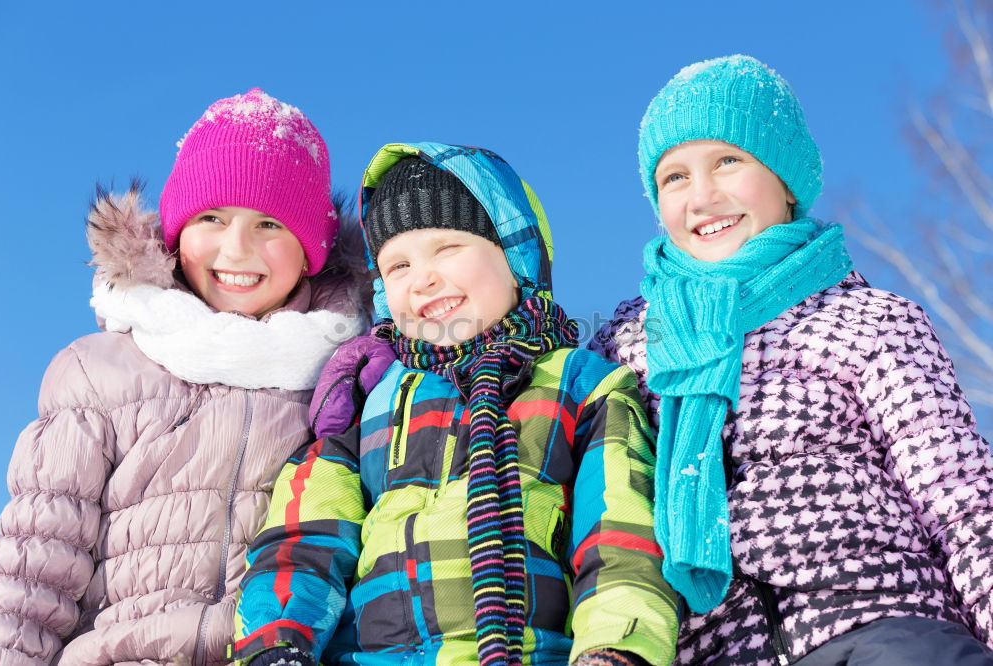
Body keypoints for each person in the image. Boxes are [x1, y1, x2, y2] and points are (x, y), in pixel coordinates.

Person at [590, 55, 993, 665]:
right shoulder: (621, 347)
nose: (702, 196)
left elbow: (959, 497)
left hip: (877, 621)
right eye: (674, 177)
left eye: (728, 160)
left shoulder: (868, 319)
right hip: (716, 649)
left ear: (785, 179)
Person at [231, 143, 678, 666]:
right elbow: (305, 537)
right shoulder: (367, 400)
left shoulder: (581, 387)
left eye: (447, 248)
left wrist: (613, 648)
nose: (422, 278)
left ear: (515, 259)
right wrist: (276, 643)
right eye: (397, 265)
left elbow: (621, 538)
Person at [0, 89, 368, 665]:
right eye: (212, 218)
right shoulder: (100, 372)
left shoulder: (347, 377)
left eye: (269, 222)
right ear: (175, 230)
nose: (236, 248)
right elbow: (34, 567)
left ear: (311, 247)